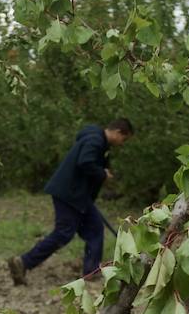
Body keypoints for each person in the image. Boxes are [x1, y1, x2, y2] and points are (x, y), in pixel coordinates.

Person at [9, 118, 134, 285]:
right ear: (118, 132)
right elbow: (85, 162)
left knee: (95, 228)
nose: (122, 143)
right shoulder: (95, 141)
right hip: (69, 194)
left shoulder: (100, 143)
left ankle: (91, 271)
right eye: (124, 139)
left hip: (78, 196)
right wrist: (102, 174)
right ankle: (23, 262)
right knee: (64, 233)